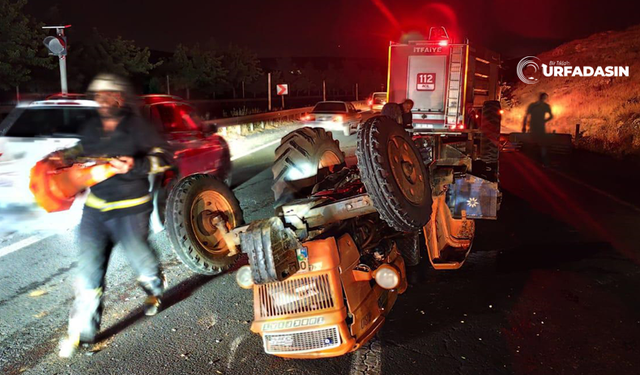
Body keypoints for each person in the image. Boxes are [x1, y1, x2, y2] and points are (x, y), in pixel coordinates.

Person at [58, 73, 173, 358]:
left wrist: (136, 165)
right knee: (89, 271)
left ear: (120, 98)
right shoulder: (92, 127)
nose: (103, 100)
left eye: (109, 95)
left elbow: (164, 157)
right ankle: (86, 333)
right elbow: (81, 148)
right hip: (96, 209)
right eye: (98, 96)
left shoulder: (137, 126)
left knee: (141, 260)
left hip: (131, 208)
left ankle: (154, 286)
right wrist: (66, 155)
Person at [522, 92, 554, 165]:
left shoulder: (535, 106)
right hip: (537, 127)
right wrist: (544, 121)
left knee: (536, 142)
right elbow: (551, 116)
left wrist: (524, 127)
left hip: (536, 127)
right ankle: (538, 160)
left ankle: (535, 160)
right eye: (544, 97)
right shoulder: (541, 106)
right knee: (538, 143)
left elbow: (526, 116)